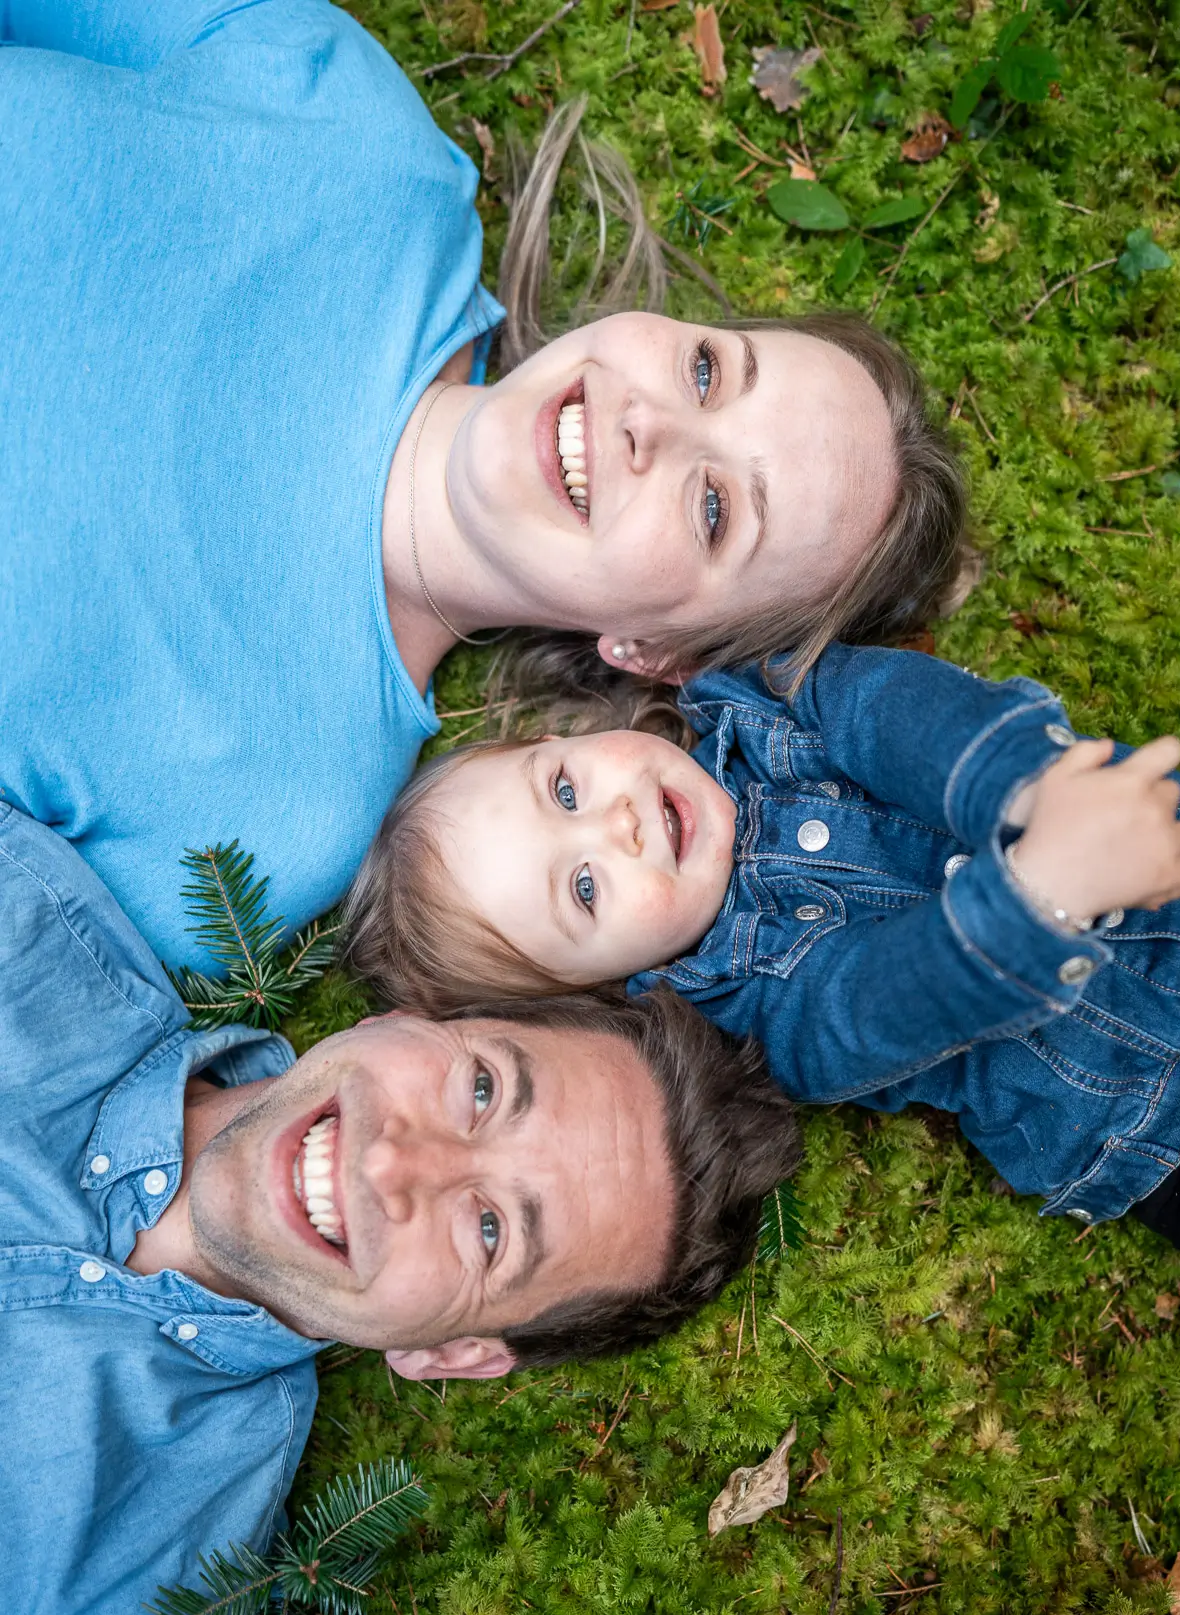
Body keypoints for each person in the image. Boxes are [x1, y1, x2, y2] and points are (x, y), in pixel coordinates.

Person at [0, 1, 967, 973]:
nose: (651, 424)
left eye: (715, 509)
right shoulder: (363, 147)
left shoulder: (263, 822)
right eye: (709, 373)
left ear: (654, 651)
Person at [0, 801, 798, 1615]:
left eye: (491, 1231)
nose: (393, 1165)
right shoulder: (20, 925)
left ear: (457, 1353)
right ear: (421, 1014)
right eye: (481, 1088)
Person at [341, 642, 1180, 1285]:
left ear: (566, 739)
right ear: (611, 997)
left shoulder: (767, 706)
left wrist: (1026, 796)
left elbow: (903, 714)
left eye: (565, 788)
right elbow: (883, 1005)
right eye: (584, 889)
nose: (616, 823)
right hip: (1177, 1118)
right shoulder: (753, 1020)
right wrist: (1039, 899)